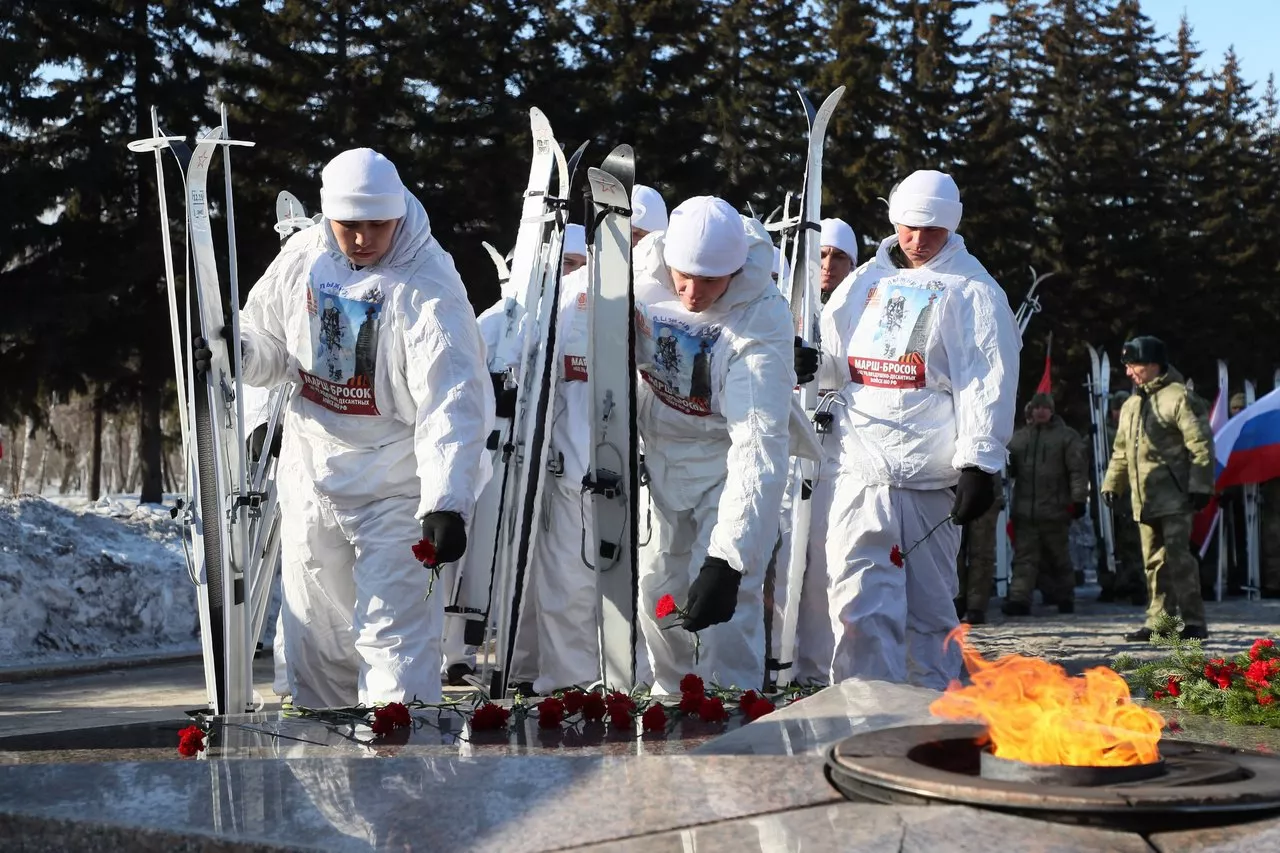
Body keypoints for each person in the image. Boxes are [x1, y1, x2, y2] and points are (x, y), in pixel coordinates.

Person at [226, 148, 494, 708]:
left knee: (394, 639)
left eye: (379, 225)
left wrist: (446, 500)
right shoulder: (303, 258)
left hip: (397, 485)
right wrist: (244, 369)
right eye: (350, 225)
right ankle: (325, 770)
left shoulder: (429, 287)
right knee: (314, 640)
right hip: (313, 472)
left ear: (400, 214)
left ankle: (400, 773)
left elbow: (455, 398)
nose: (364, 239)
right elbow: (267, 341)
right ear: (328, 217)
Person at [814, 169, 1020, 689]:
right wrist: (806, 365)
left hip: (929, 480)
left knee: (928, 615)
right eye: (908, 228)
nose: (918, 241)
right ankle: (861, 717)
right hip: (861, 469)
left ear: (952, 226)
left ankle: (929, 719)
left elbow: (986, 376)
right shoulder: (864, 283)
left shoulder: (973, 291)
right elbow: (833, 362)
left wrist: (981, 459)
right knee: (858, 605)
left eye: (931, 231)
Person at [633, 196, 796, 693]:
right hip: (660, 457)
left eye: (710, 281)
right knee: (657, 589)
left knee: (727, 600)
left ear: (737, 269)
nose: (693, 292)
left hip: (725, 466)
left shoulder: (761, 317)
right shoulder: (640, 278)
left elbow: (758, 442)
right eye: (684, 276)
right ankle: (670, 695)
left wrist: (729, 558)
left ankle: (732, 701)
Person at [1102, 336, 1213, 642]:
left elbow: (1200, 444)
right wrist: (1113, 482)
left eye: (1132, 365)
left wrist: (1201, 485)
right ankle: (1159, 623)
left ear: (1152, 365)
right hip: (1144, 498)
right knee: (1153, 562)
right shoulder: (1131, 404)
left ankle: (1194, 622)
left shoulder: (1180, 397)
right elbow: (1121, 450)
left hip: (1175, 496)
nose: (1128, 373)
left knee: (1179, 560)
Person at [1000, 393, 1089, 616]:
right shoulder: (1019, 439)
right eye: (1037, 408)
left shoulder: (1066, 437)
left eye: (1045, 408)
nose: (1040, 411)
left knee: (1059, 557)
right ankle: (1019, 599)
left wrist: (1078, 499)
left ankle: (1065, 597)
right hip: (1025, 512)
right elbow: (1006, 468)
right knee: (1024, 559)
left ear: (1052, 410)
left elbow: (1077, 471)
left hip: (1056, 510)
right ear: (1031, 411)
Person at [1097, 389, 1147, 604]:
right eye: (1115, 410)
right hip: (1108, 499)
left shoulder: (1140, 431)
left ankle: (1136, 584)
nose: (1118, 414)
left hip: (1132, 497)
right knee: (1107, 542)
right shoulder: (1101, 434)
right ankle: (1110, 584)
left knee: (1132, 544)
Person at [954, 472, 1003, 625]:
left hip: (985, 478)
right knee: (953, 549)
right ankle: (957, 599)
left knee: (982, 548)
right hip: (950, 482)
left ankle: (976, 606)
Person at [819, 217, 858, 301]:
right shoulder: (787, 301)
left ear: (851, 264)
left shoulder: (862, 305)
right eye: (821, 255)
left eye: (838, 257)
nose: (827, 265)